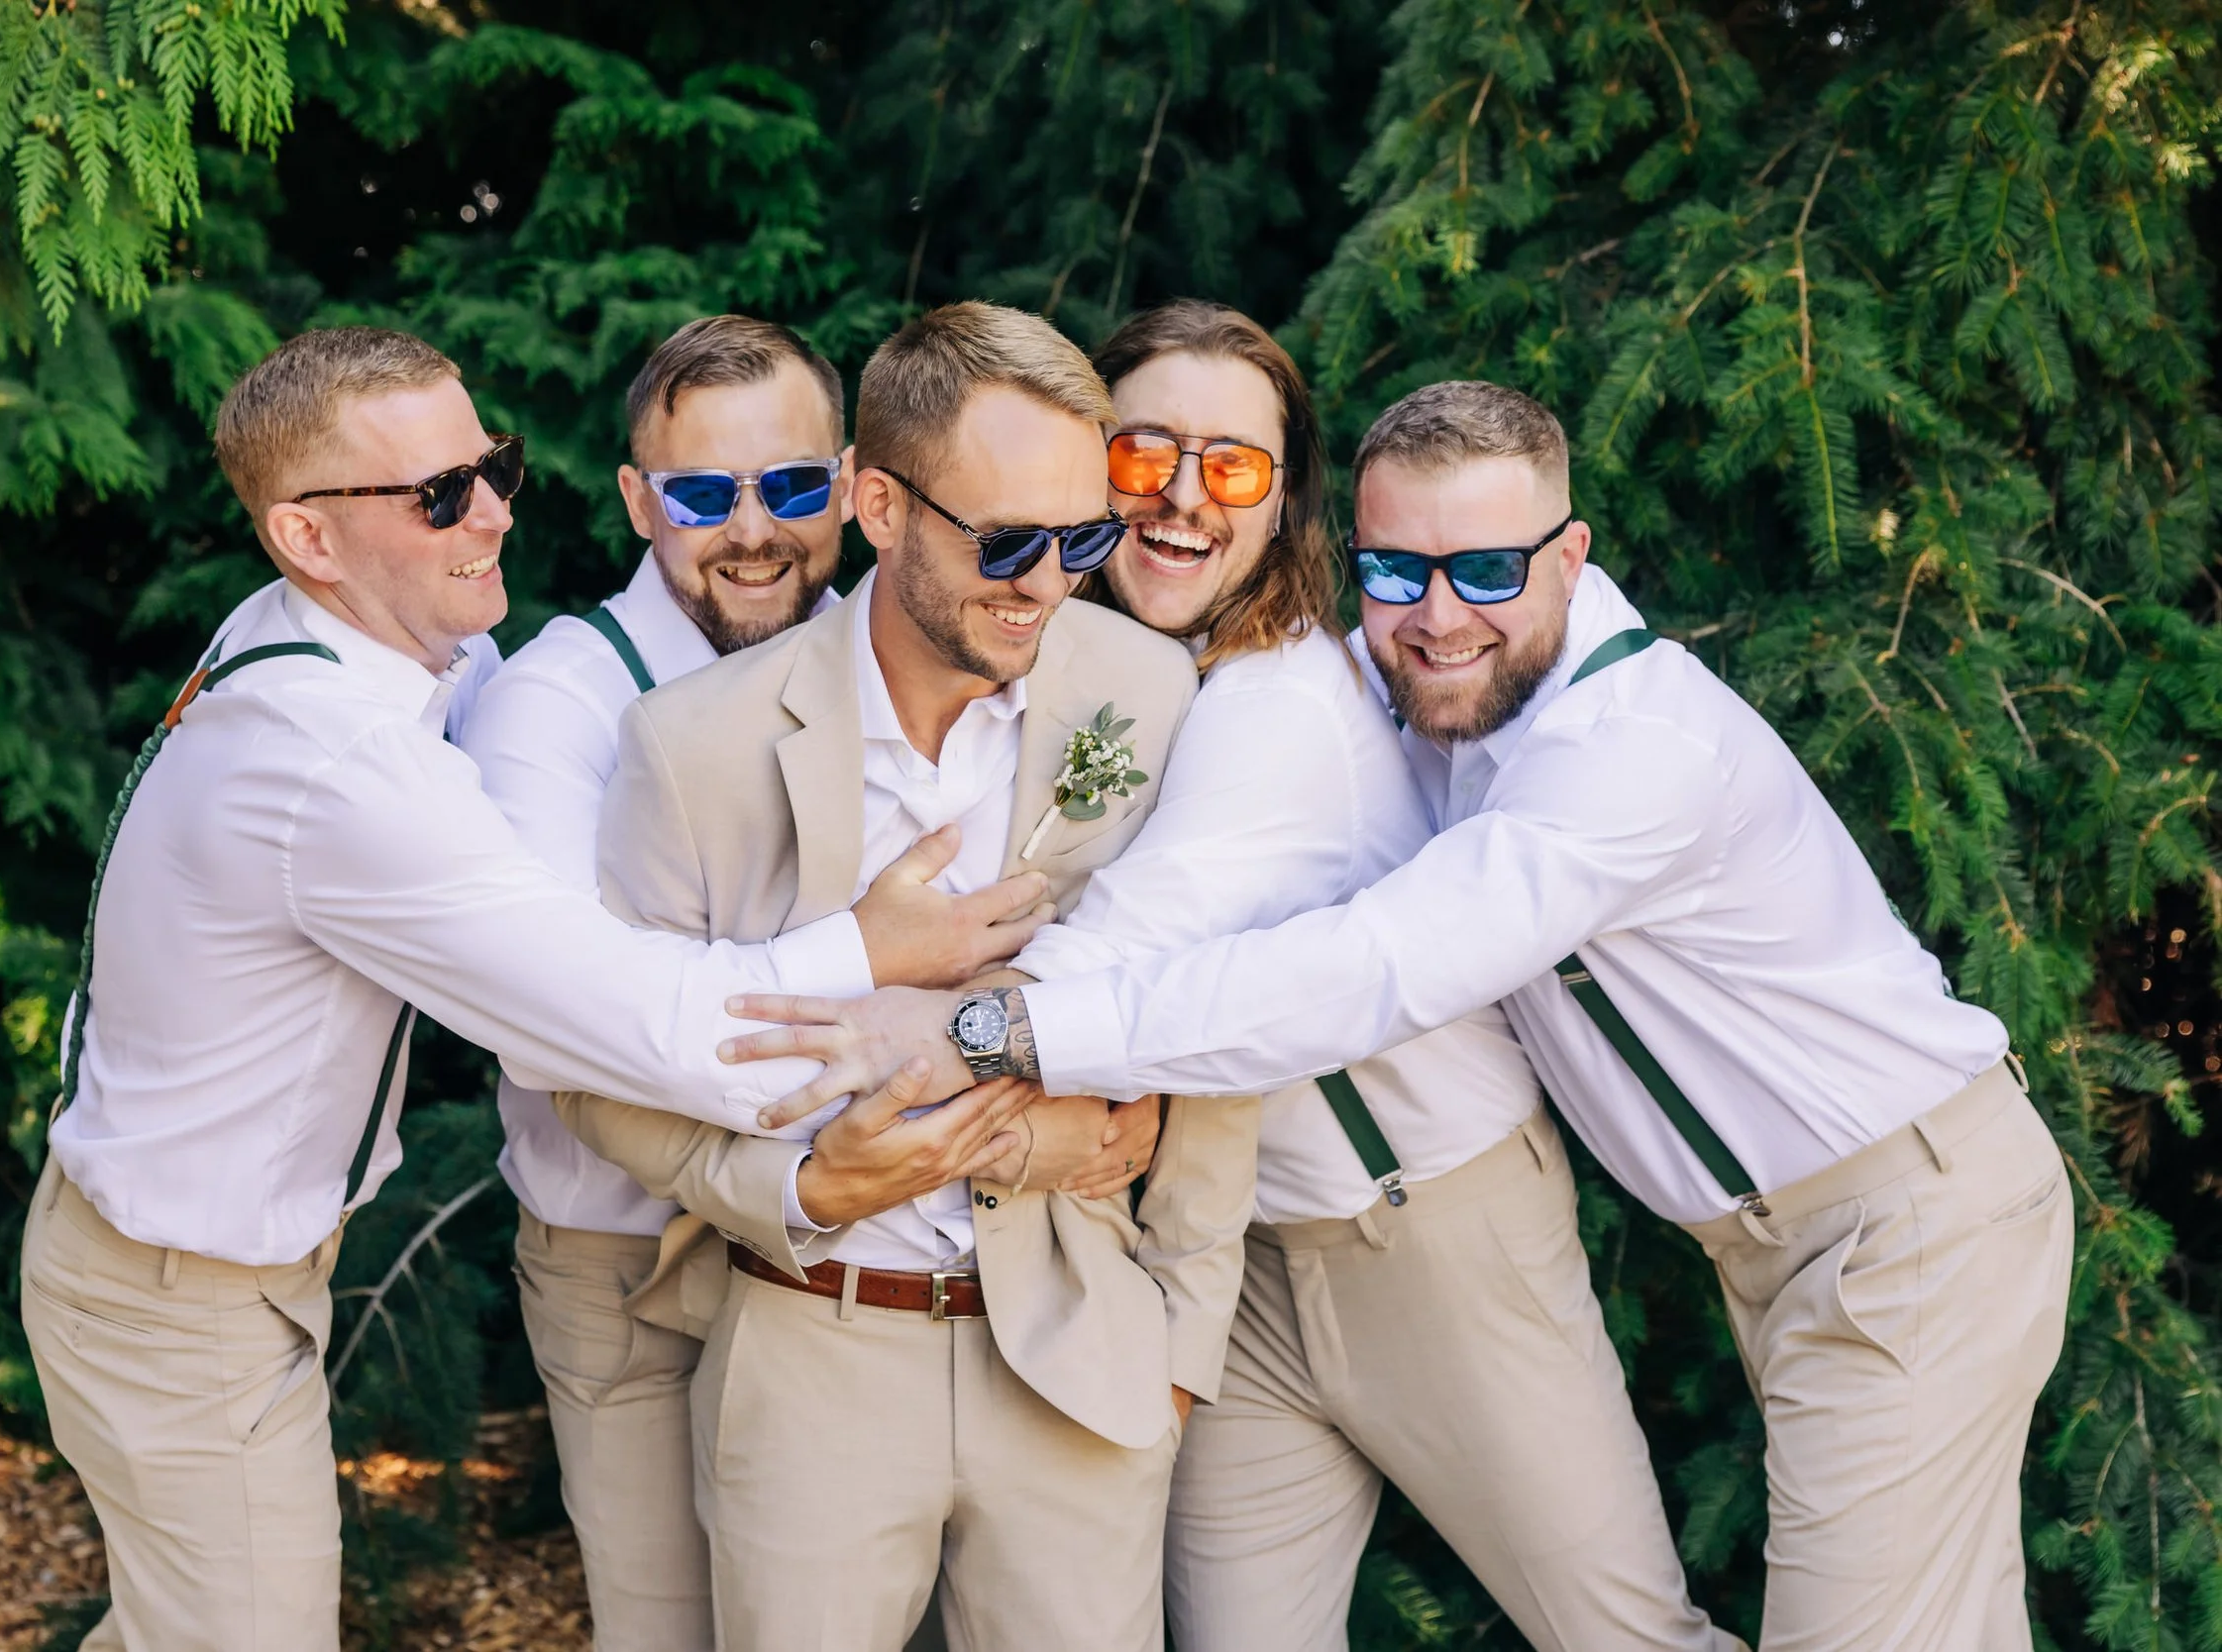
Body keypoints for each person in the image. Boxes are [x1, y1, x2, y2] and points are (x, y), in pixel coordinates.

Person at [731, 379, 2075, 1652]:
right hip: (1760, 1240)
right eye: (1397, 573)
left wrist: (982, 1029)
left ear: (1569, 557)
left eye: (1485, 569)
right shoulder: (1395, 699)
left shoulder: (1628, 753)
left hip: (1910, 1221)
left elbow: (1371, 968)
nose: (1439, 616)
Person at [20, 326, 1051, 1651]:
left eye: (490, 467)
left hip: (190, 1256)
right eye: (440, 496)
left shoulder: (373, 653)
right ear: (308, 539)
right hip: (179, 1288)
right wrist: (873, 946)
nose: (497, 512)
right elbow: (638, 1029)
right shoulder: (343, 770)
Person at [1009, 302, 1735, 1652]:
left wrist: (908, 1026)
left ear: (1284, 505)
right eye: (1140, 451)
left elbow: (1112, 958)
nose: (1179, 498)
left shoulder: (1275, 704)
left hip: (1434, 1232)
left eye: (1231, 466)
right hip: (1248, 1259)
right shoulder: (1110, 677)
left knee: (1623, 1638)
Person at [560, 301, 1261, 1652]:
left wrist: (1179, 1341)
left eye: (1081, 539)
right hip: (810, 1352)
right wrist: (801, 1188)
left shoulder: (1150, 691)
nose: (1046, 582)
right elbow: (600, 1080)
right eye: (1004, 540)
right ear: (880, 506)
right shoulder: (688, 748)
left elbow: (1221, 1009)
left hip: (1076, 1357)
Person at [462, 314, 909, 1650]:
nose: (755, 528)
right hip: (626, 1254)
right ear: (639, 499)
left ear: (849, 481)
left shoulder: (904, 667)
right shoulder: (556, 702)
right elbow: (560, 1028)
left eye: (792, 485)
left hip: (859, 1252)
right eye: (706, 493)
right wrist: (871, 964)